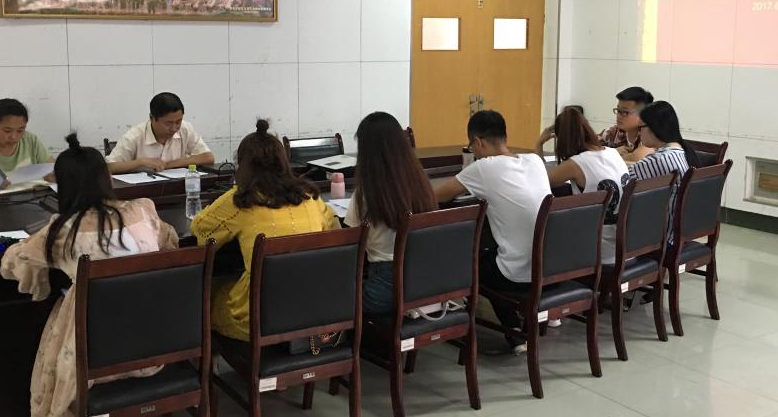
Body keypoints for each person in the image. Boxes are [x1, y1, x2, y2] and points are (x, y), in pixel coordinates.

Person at [0, 134, 179, 417]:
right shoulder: (142, 210)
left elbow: (17, 264)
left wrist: (11, 249)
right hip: (157, 345)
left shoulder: (62, 231)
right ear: (106, 178)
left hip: (93, 358)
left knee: (58, 316)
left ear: (62, 186)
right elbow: (170, 243)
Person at [191, 119, 339, 340]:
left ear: (242, 166)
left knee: (204, 294)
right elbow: (333, 226)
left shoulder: (239, 200)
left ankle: (206, 361)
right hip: (312, 307)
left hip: (257, 318)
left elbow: (199, 230)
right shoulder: (309, 196)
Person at [433, 110, 551, 349]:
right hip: (550, 268)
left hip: (517, 276)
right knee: (491, 248)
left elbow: (437, 196)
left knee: (467, 261)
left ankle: (502, 328)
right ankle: (516, 329)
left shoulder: (484, 168)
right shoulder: (534, 160)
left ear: (477, 142)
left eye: (471, 147)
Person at [344, 112, 437, 316]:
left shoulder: (366, 193)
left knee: (333, 298)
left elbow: (349, 243)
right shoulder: (421, 184)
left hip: (386, 288)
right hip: (426, 281)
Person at [538, 106, 631, 262]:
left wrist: (539, 143)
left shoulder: (575, 164)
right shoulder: (612, 152)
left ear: (562, 138)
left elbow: (539, 181)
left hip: (599, 249)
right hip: (625, 244)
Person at [630, 101, 700, 235]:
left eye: (640, 128)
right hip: (681, 230)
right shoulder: (682, 150)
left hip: (662, 235)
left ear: (654, 127)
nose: (639, 133)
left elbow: (622, 179)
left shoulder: (659, 159)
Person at [107, 92, 214, 174]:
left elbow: (208, 157)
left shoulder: (185, 129)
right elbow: (108, 167)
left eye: (178, 122)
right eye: (168, 123)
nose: (174, 128)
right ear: (152, 118)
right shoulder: (134, 136)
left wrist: (169, 164)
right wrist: (140, 162)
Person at [600, 86, 655, 164]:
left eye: (625, 112)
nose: (618, 115)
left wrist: (611, 155)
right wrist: (613, 152)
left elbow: (638, 159)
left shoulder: (649, 134)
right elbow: (588, 150)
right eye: (618, 110)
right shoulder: (612, 132)